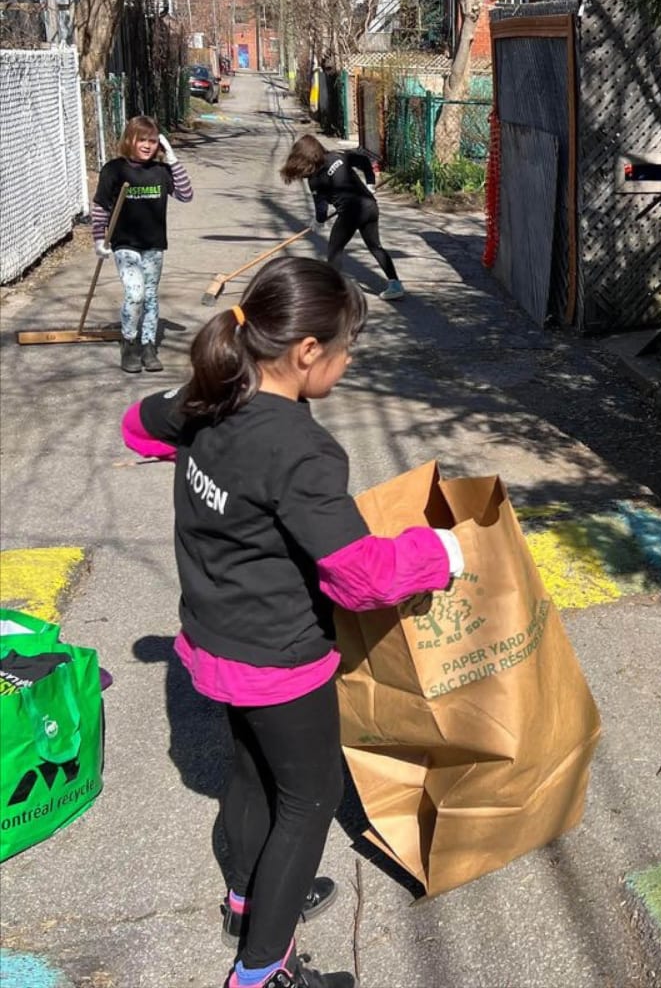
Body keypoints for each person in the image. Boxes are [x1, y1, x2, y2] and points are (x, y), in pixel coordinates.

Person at [120, 257, 464, 988]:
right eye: (345, 354)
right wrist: (437, 553)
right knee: (308, 803)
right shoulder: (301, 449)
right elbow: (361, 576)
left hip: (214, 640)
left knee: (250, 774)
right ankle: (261, 971)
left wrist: (183, 421)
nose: (344, 366)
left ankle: (248, 899)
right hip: (281, 658)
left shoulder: (210, 397)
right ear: (307, 352)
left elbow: (136, 429)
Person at [92, 115, 193, 373]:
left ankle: (148, 345)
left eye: (152, 140)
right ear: (130, 140)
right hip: (125, 244)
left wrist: (172, 159)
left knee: (149, 296)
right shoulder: (114, 170)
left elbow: (186, 194)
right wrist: (98, 239)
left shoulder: (160, 171)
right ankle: (129, 342)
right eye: (142, 140)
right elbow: (101, 206)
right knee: (135, 294)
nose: (147, 146)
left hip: (154, 245)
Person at [280, 135, 405, 301]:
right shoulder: (339, 155)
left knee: (334, 250)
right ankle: (395, 284)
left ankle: (332, 291)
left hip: (350, 213)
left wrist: (318, 221)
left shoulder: (315, 179)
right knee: (375, 246)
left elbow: (321, 208)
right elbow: (364, 162)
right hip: (370, 206)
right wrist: (370, 183)